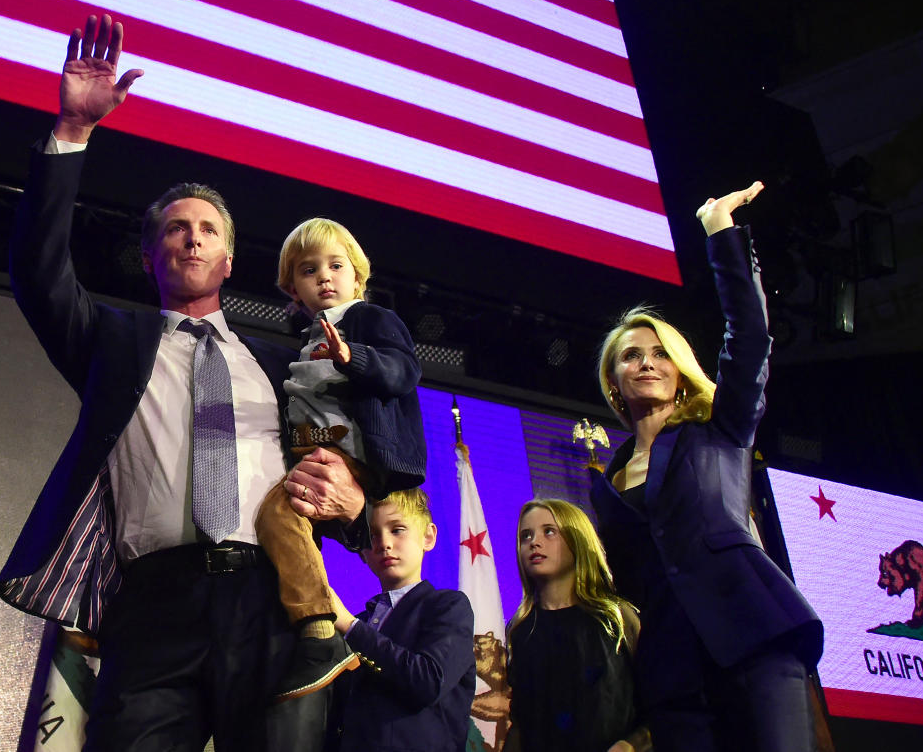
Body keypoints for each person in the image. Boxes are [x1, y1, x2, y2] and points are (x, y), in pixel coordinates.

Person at [0, 15, 368, 752]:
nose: (192, 236)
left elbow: (336, 450)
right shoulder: (113, 341)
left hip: (272, 600)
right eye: (174, 228)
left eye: (207, 230)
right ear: (149, 255)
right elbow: (39, 274)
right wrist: (73, 129)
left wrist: (352, 503)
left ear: (229, 262)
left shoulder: (281, 362)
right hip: (154, 604)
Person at [589, 181, 824, 752]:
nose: (646, 362)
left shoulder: (719, 428)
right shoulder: (607, 485)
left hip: (753, 639)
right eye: (630, 356)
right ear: (614, 383)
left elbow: (751, 336)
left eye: (660, 352)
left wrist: (720, 231)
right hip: (675, 675)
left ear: (680, 368)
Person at [257, 217, 426, 701]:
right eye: (310, 270)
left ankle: (318, 631)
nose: (325, 277)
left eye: (336, 265)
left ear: (358, 276)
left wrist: (354, 357)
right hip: (317, 444)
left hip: (353, 450)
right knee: (282, 518)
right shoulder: (307, 337)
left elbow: (404, 370)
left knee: (279, 513)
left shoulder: (368, 320)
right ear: (294, 288)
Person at [326, 488, 476, 752]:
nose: (384, 543)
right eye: (372, 535)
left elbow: (429, 682)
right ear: (362, 551)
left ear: (428, 536)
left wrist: (350, 627)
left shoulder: (448, 607)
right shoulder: (362, 620)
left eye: (397, 530)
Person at [506, 499, 649, 752]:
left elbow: (661, 704)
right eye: (525, 536)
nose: (534, 542)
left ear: (577, 538)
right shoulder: (520, 632)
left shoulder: (617, 619)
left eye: (549, 531)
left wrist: (631, 745)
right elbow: (520, 722)